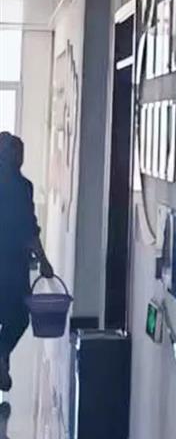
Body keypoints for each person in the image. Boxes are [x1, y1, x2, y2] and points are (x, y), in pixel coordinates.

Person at [0, 133, 54, 393]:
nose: (20, 159)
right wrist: (44, 261)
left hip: (12, 262)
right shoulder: (22, 187)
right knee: (19, 317)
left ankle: (1, 361)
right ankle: (1, 357)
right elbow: (29, 230)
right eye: (17, 153)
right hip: (12, 264)